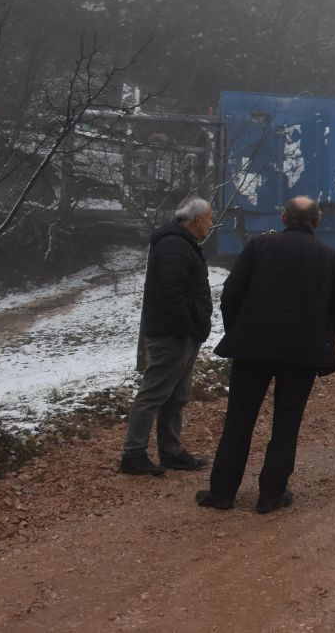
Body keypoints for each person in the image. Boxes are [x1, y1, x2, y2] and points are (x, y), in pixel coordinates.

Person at [196, 196, 335, 513]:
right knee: (287, 423)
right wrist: (321, 340)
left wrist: (239, 331)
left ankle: (223, 492)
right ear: (317, 221)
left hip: (253, 347)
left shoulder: (258, 247)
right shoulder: (331, 258)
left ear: (283, 218)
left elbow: (232, 294)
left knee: (239, 418)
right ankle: (271, 494)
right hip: (302, 354)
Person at [120, 196, 214, 476]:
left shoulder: (180, 243)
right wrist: (187, 327)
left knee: (176, 395)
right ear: (197, 220)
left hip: (181, 333)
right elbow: (170, 293)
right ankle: (133, 454)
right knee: (154, 393)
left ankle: (171, 452)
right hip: (172, 335)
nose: (211, 224)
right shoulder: (174, 245)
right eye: (209, 218)